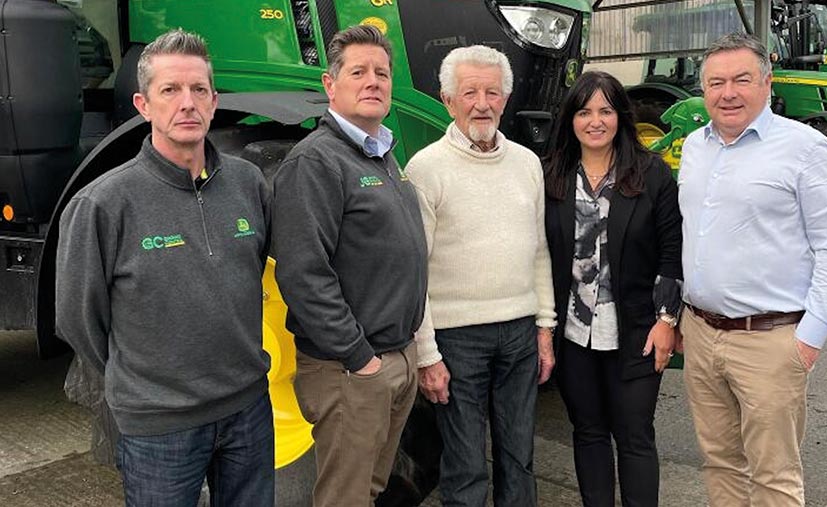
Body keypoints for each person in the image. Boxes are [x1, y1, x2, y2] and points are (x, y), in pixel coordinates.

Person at [55, 29, 274, 506]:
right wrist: (146, 383)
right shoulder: (103, 204)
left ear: (215, 101)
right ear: (143, 104)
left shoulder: (249, 183)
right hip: (160, 428)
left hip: (248, 409)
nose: (187, 103)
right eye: (170, 90)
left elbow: (252, 271)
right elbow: (78, 318)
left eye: (199, 90)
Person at [679, 32, 827, 507]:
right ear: (703, 89)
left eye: (742, 79)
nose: (728, 92)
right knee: (719, 461)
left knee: (773, 476)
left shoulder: (806, 149)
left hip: (770, 340)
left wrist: (808, 341)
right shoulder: (696, 147)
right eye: (716, 82)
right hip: (700, 332)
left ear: (767, 82)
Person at [270, 25, 426, 507]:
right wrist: (361, 358)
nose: (373, 81)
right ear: (329, 84)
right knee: (346, 497)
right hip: (349, 369)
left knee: (370, 491)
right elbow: (303, 272)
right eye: (358, 71)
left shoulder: (382, 155)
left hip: (395, 359)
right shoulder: (316, 162)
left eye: (382, 72)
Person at [405, 45, 556, 507]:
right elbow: (416, 272)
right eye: (469, 92)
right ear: (448, 100)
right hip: (456, 339)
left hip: (519, 334)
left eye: (492, 91)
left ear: (506, 98)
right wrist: (427, 353)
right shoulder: (425, 169)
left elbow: (539, 251)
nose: (482, 103)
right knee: (466, 464)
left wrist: (544, 328)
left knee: (519, 457)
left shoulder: (528, 164)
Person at [543, 71, 682, 507]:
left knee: (635, 435)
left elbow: (672, 253)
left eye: (605, 110)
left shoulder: (652, 174)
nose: (595, 121)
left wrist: (666, 321)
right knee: (588, 433)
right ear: (571, 119)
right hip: (573, 335)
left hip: (637, 332)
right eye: (584, 111)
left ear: (621, 116)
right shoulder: (552, 177)